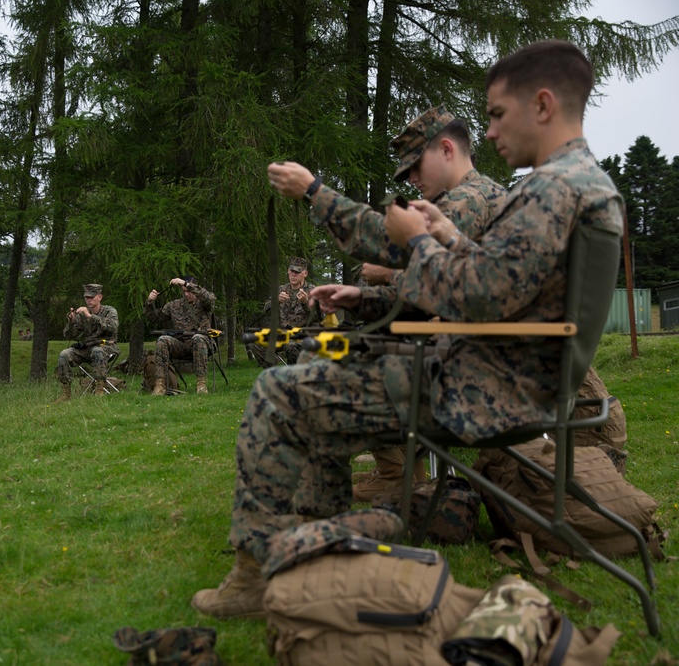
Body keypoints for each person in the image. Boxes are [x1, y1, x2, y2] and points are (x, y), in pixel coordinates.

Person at [191, 40, 623, 620]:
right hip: (511, 379)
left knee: (280, 393)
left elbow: (476, 295)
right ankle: (321, 561)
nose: (491, 132)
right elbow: (505, 285)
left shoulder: (553, 189)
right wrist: (443, 238)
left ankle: (255, 573)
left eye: (497, 113)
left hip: (484, 390)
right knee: (318, 397)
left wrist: (415, 239)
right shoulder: (579, 183)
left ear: (542, 104)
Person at [346, 106, 509, 503]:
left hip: (479, 366)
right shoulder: (485, 194)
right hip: (486, 354)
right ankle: (403, 470)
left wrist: (383, 277)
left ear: (447, 149)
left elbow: (434, 284)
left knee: (345, 361)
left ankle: (396, 471)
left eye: (416, 168)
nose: (413, 180)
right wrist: (360, 296)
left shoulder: (464, 203)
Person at [145, 276, 217, 395]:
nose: (187, 294)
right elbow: (154, 318)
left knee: (198, 338)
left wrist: (186, 283)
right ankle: (160, 385)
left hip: (203, 343)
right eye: (184, 291)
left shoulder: (204, 303)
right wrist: (150, 302)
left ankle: (201, 384)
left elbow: (208, 298)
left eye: (189, 291)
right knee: (163, 340)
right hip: (182, 345)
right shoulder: (174, 305)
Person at [245, 256, 315, 367]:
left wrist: (305, 303)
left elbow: (320, 317)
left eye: (298, 272)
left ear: (305, 273)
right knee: (255, 342)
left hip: (303, 336)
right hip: (283, 334)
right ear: (288, 271)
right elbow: (266, 308)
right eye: (292, 271)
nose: (294, 274)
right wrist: (276, 300)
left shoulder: (313, 291)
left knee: (291, 346)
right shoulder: (281, 289)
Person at [55, 283, 119, 400]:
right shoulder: (81, 314)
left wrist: (90, 317)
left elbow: (113, 327)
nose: (88, 300)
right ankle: (66, 393)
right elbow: (68, 335)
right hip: (87, 348)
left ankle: (99, 389)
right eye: (86, 298)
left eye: (92, 297)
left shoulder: (110, 311)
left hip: (107, 346)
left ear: (99, 297)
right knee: (64, 354)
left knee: (97, 350)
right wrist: (72, 321)